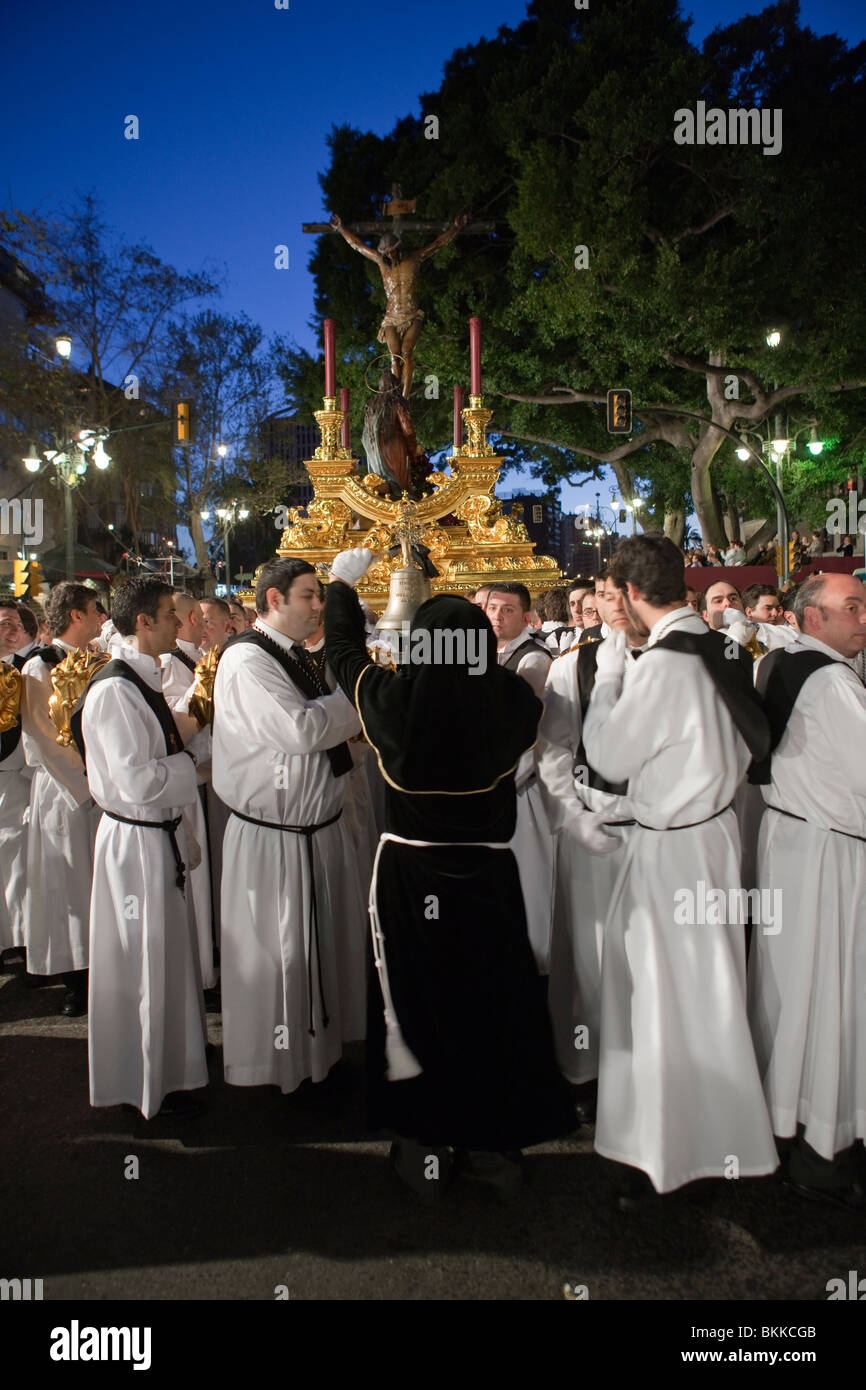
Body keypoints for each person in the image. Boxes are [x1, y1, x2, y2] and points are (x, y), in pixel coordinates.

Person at [323, 547, 575, 1198]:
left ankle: (423, 1148)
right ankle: (495, 1149)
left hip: (412, 877)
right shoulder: (514, 703)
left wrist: (340, 587)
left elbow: (343, 655)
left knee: (416, 1004)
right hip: (489, 878)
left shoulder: (388, 700)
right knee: (493, 1007)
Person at [581, 534, 777, 1200]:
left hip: (673, 848)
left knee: (662, 997)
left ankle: (669, 1150)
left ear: (632, 595)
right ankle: (721, 1138)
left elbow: (609, 756)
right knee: (711, 989)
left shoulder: (664, 663)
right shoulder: (719, 643)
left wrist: (609, 676)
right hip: (716, 836)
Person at [211, 557, 368, 1096]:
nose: (318, 606)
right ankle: (288, 1071)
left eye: (320, 595)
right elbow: (299, 730)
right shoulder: (246, 661)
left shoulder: (292, 655)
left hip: (315, 828)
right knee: (285, 957)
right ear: (274, 600)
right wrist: (361, 699)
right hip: (276, 838)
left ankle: (321, 1056)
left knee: (319, 952)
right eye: (309, 596)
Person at [748, 574, 866, 1210]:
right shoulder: (830, 680)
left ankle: (789, 1124)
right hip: (829, 853)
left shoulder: (780, 662)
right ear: (810, 618)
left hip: (792, 842)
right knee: (831, 996)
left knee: (794, 992)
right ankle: (826, 1148)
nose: (863, 619)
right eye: (850, 609)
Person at [74, 577, 208, 1119]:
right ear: (142, 623)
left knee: (166, 958)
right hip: (135, 839)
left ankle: (172, 1069)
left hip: (156, 835)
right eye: (169, 614)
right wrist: (198, 769)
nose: (180, 623)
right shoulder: (113, 689)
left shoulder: (143, 680)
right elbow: (136, 781)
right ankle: (143, 1082)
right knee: (143, 960)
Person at [536, 575, 646, 1112]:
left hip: (663, 834)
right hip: (595, 824)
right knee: (590, 956)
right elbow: (554, 748)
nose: (617, 604)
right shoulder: (573, 664)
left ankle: (655, 1070)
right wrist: (571, 815)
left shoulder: (682, 658)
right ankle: (589, 1070)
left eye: (627, 593)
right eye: (606, 595)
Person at [21, 582, 103, 1015]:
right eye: (95, 610)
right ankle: (76, 977)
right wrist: (86, 782)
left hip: (95, 783)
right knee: (69, 886)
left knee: (92, 884)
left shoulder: (93, 660)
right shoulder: (40, 666)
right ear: (76, 615)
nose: (101, 618)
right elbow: (43, 735)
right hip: (65, 789)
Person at [486, 583, 554, 974]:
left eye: (507, 610)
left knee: (527, 879)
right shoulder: (484, 655)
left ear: (526, 616)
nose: (496, 616)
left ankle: (535, 962)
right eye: (492, 608)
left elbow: (525, 729)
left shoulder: (534, 660)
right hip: (494, 785)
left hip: (519, 784)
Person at [330, 210, 469, 397]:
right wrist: (341, 228)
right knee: (394, 358)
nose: (388, 255)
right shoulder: (382, 262)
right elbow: (358, 246)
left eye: (390, 251)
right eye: (385, 253)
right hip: (391, 318)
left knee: (406, 353)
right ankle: (395, 396)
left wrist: (455, 228)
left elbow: (437, 244)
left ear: (398, 247)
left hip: (412, 315)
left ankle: (404, 397)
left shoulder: (414, 258)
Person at [0, 603, 31, 963]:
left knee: (16, 866)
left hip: (15, 778)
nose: (13, 631)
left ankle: (20, 944)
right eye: (5, 624)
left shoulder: (22, 671)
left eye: (17, 624)